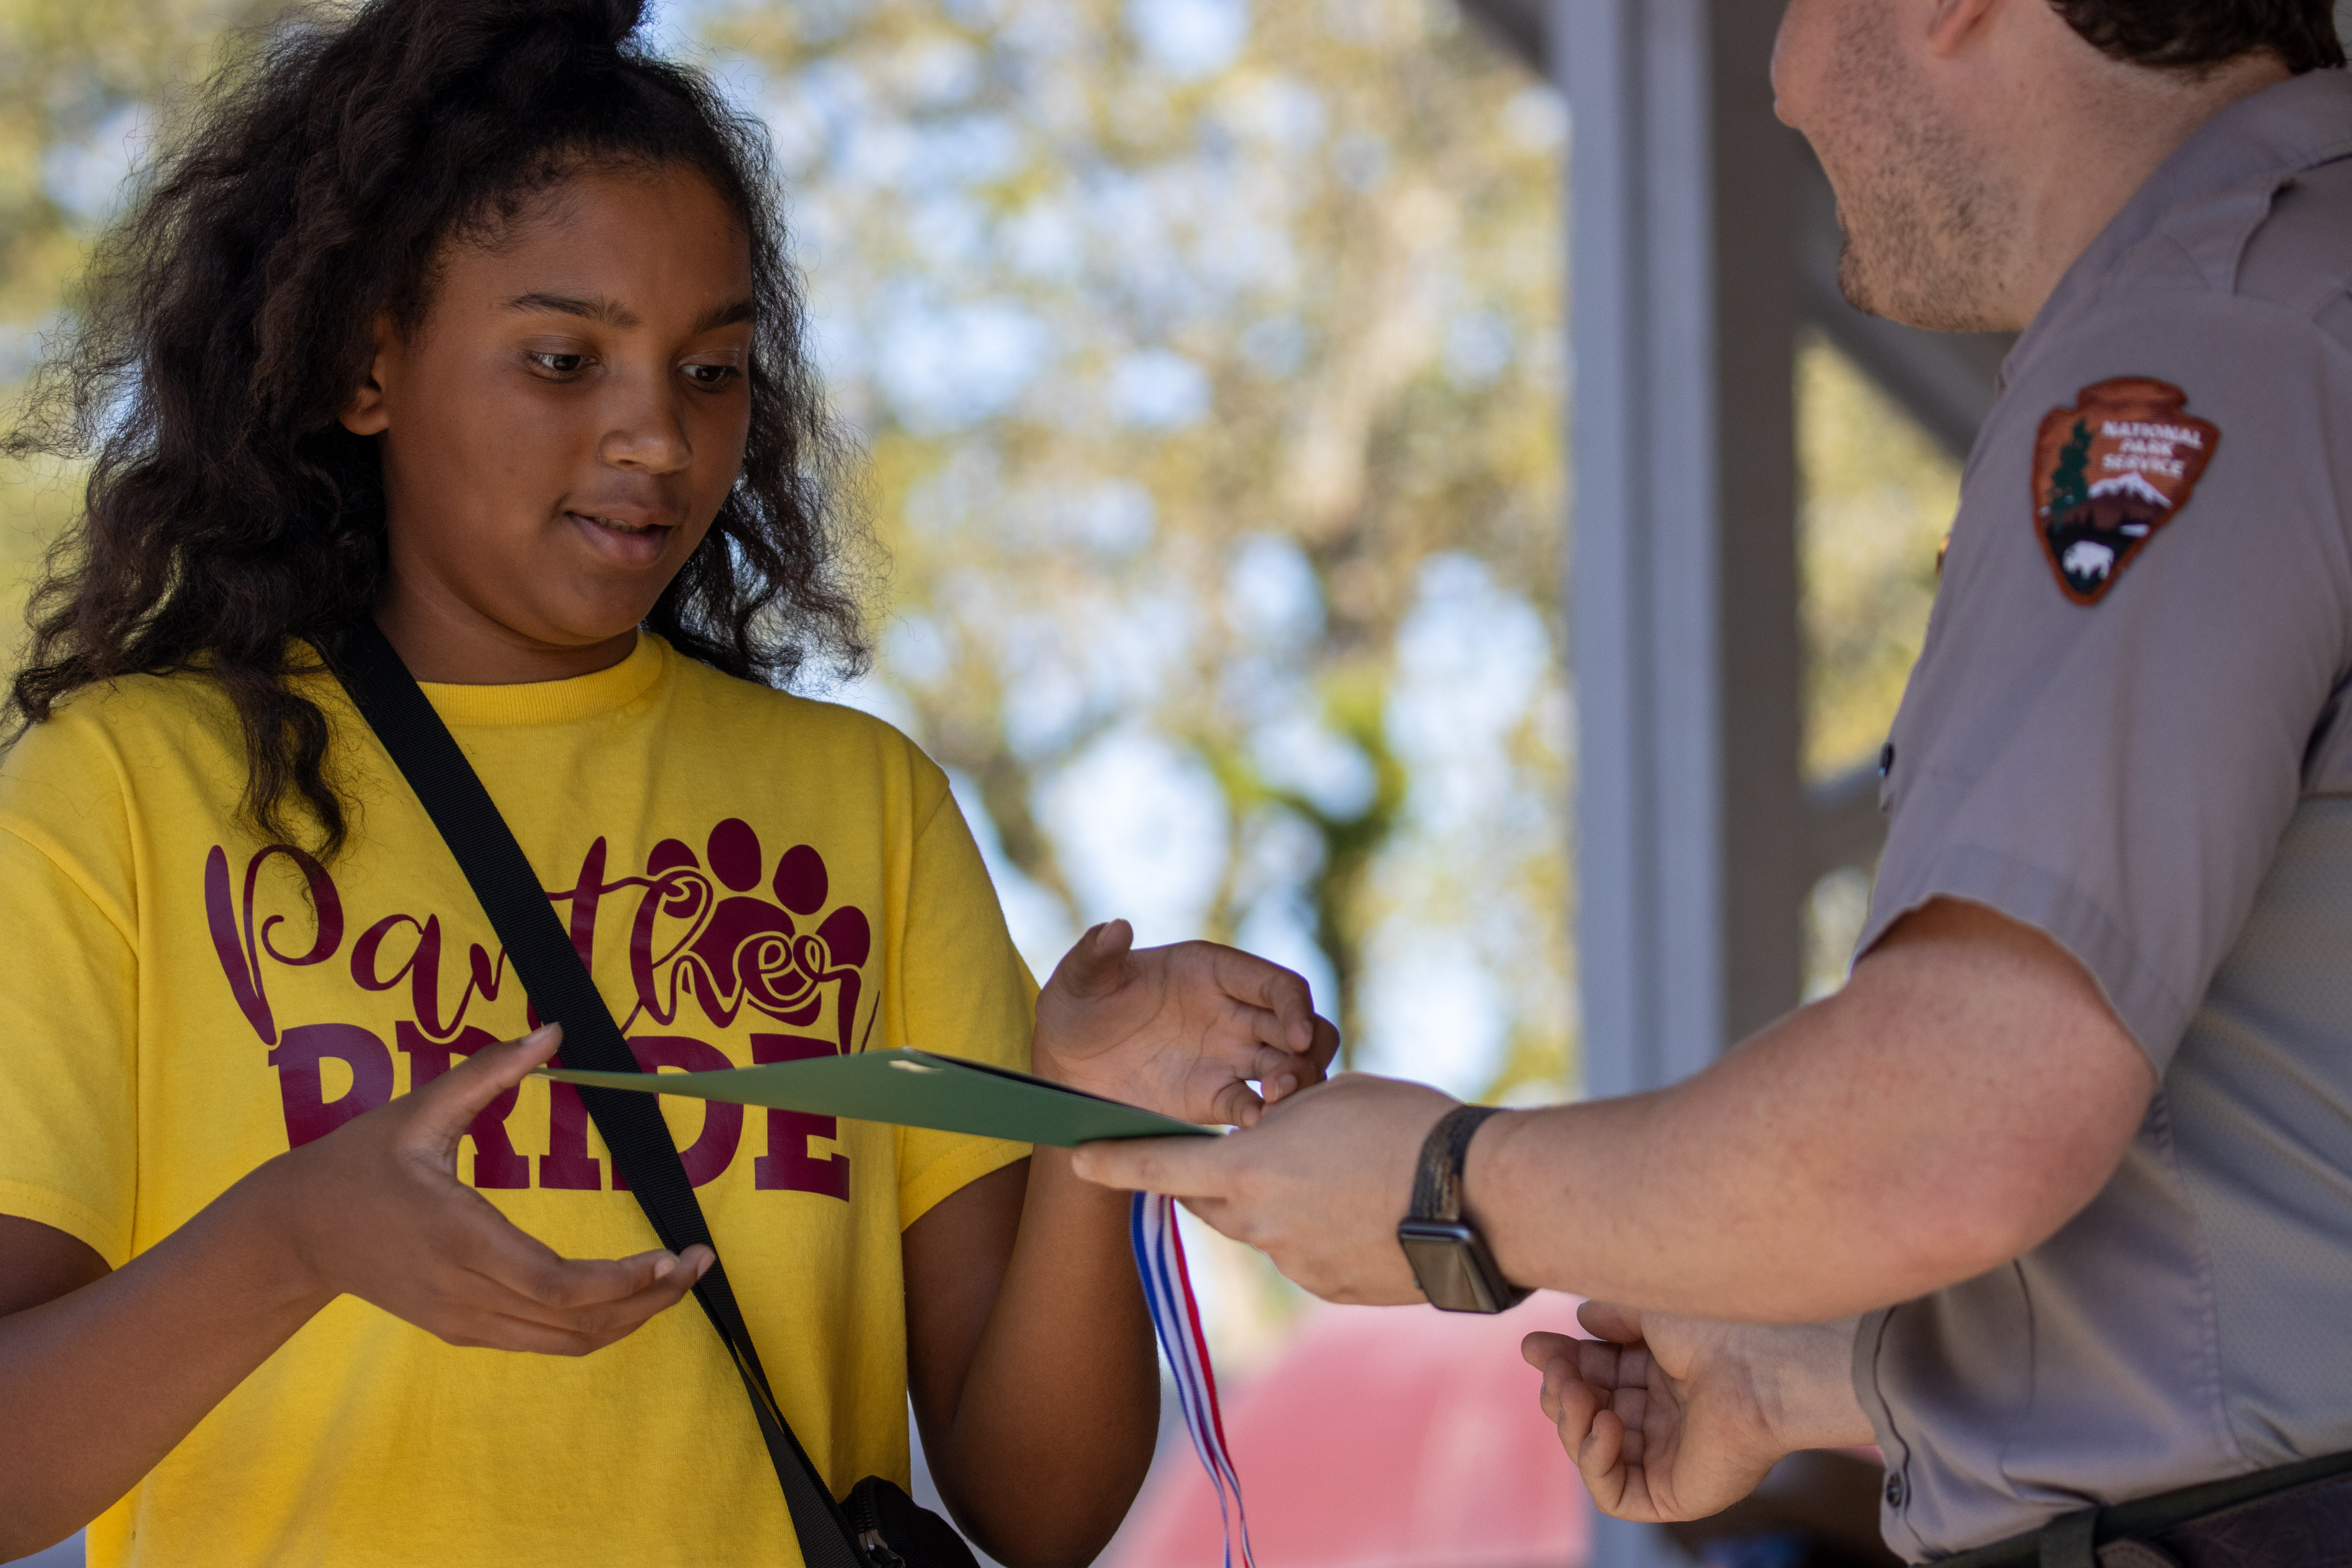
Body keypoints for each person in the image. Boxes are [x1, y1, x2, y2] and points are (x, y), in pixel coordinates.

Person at [0, 3, 1339, 1564]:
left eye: (710, 370)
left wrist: (1096, 1125)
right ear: (368, 362)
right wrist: (294, 1237)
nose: (655, 434)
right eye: (565, 359)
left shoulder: (864, 809)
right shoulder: (122, 793)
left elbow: (1043, 1506)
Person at [1075, 0, 2352, 1560]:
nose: (1778, 74)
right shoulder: (2295, 301)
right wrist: (1809, 1370)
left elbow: (1971, 1108)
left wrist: (1449, 1186)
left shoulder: (2195, 351)